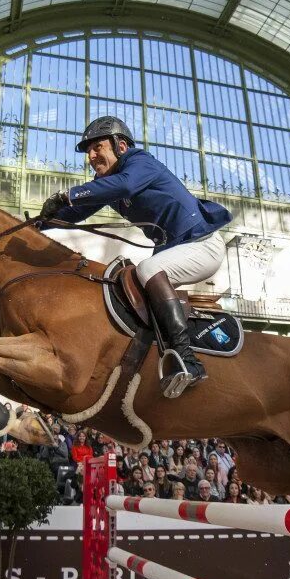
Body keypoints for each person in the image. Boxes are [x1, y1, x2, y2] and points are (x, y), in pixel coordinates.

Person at [39, 116, 232, 397]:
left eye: (97, 147)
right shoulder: (108, 182)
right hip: (179, 249)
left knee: (147, 269)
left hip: (203, 244)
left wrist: (66, 194)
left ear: (121, 145)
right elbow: (75, 214)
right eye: (89, 151)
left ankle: (188, 360)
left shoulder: (140, 162)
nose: (91, 157)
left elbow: (126, 186)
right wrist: (39, 224)